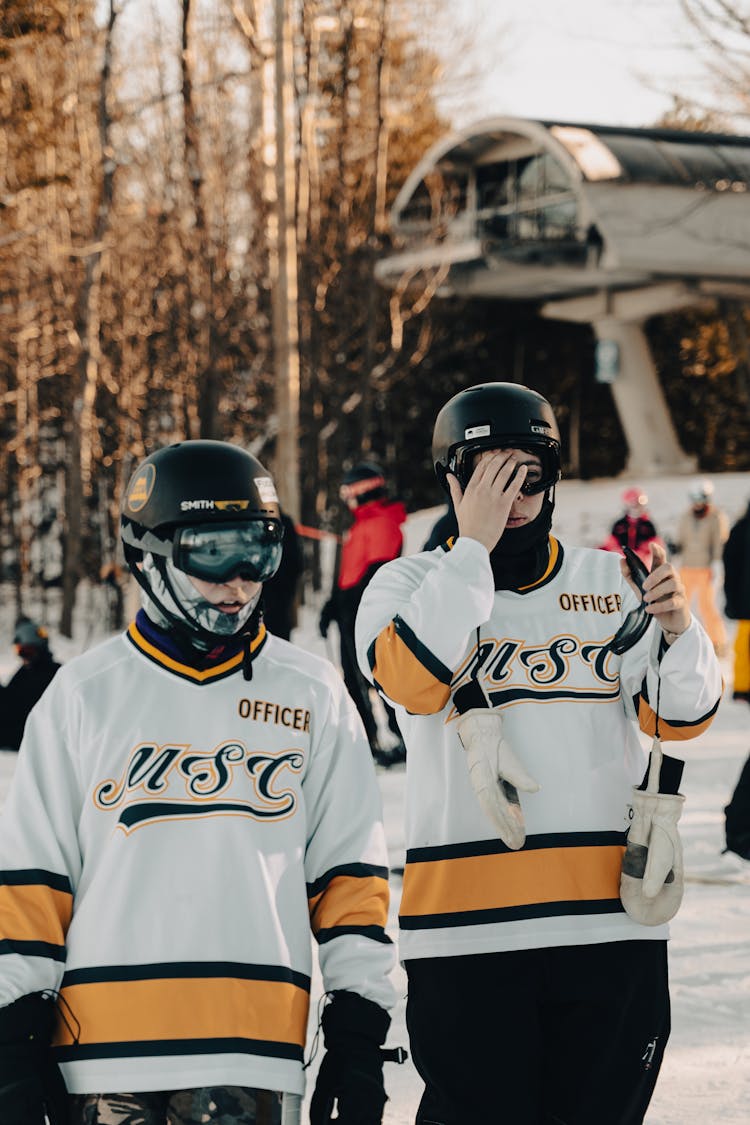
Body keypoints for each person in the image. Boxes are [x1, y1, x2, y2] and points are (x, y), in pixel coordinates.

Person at [355, 381, 722, 1125]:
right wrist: (472, 551)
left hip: (609, 930)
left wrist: (683, 635)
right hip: (466, 937)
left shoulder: (607, 580)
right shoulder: (406, 584)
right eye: (487, 475)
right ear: (451, 480)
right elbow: (410, 681)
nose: (511, 497)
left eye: (527, 475)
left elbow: (680, 718)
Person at [0, 440, 397, 1125]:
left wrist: (358, 1033)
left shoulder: (311, 693)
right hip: (101, 1061)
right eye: (213, 552)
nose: (240, 581)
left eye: (259, 550)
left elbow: (350, 879)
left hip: (252, 1055)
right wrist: (13, 1041)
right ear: (149, 555)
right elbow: (33, 884)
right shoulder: (83, 696)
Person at [319, 461, 407, 766]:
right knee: (353, 682)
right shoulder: (361, 524)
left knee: (378, 677)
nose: (346, 499)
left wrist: (348, 603)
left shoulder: (382, 521)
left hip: (366, 615)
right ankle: (368, 740)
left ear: (362, 490)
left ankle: (401, 737)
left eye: (348, 491)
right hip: (350, 613)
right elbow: (351, 573)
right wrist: (333, 604)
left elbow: (377, 572)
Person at [671, 478, 729, 656]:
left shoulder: (716, 517)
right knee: (680, 604)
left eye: (701, 498)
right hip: (687, 567)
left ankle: (717, 641)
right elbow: (682, 540)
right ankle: (678, 639)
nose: (697, 503)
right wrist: (675, 547)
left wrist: (717, 563)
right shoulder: (686, 517)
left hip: (706, 568)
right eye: (694, 498)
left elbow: (719, 543)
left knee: (707, 606)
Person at [0, 620, 60, 751]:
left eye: (27, 651)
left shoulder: (53, 673)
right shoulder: (26, 671)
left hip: (28, 735)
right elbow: (10, 695)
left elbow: (18, 706)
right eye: (19, 651)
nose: (23, 656)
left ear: (40, 649)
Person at [261, 509, 304, 640]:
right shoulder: (246, 521)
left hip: (277, 606)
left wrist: (284, 595)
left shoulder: (283, 523)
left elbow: (295, 564)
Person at [723, 497, 750, 702]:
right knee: (743, 646)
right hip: (746, 603)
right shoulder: (741, 529)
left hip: (744, 601)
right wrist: (732, 599)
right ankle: (742, 687)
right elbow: (730, 566)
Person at [600, 485, 665, 566]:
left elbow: (656, 544)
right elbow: (610, 543)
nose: (635, 507)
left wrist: (643, 552)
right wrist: (618, 552)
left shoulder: (648, 525)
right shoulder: (619, 524)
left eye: (638, 504)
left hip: (643, 565)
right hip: (621, 564)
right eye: (632, 504)